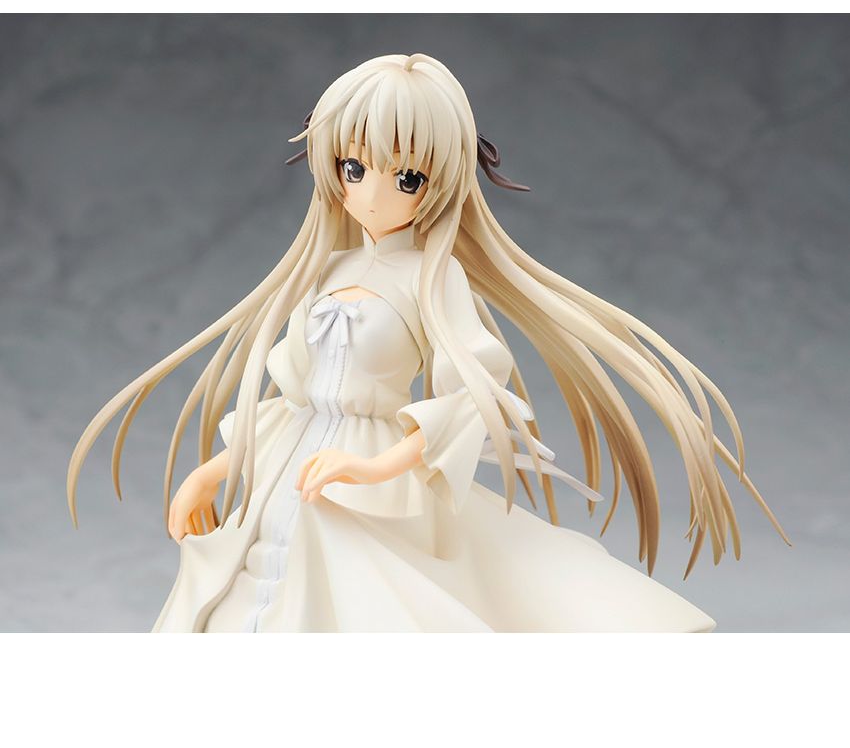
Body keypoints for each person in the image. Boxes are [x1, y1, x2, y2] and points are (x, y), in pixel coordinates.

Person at [67, 52, 790, 631]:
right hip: (291, 469)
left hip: (366, 484)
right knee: (249, 603)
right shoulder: (328, 270)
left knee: (366, 609)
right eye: (354, 169)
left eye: (405, 176)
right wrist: (215, 471)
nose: (372, 195)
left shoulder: (432, 278)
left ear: (439, 180)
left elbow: (470, 393)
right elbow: (291, 403)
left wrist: (374, 468)